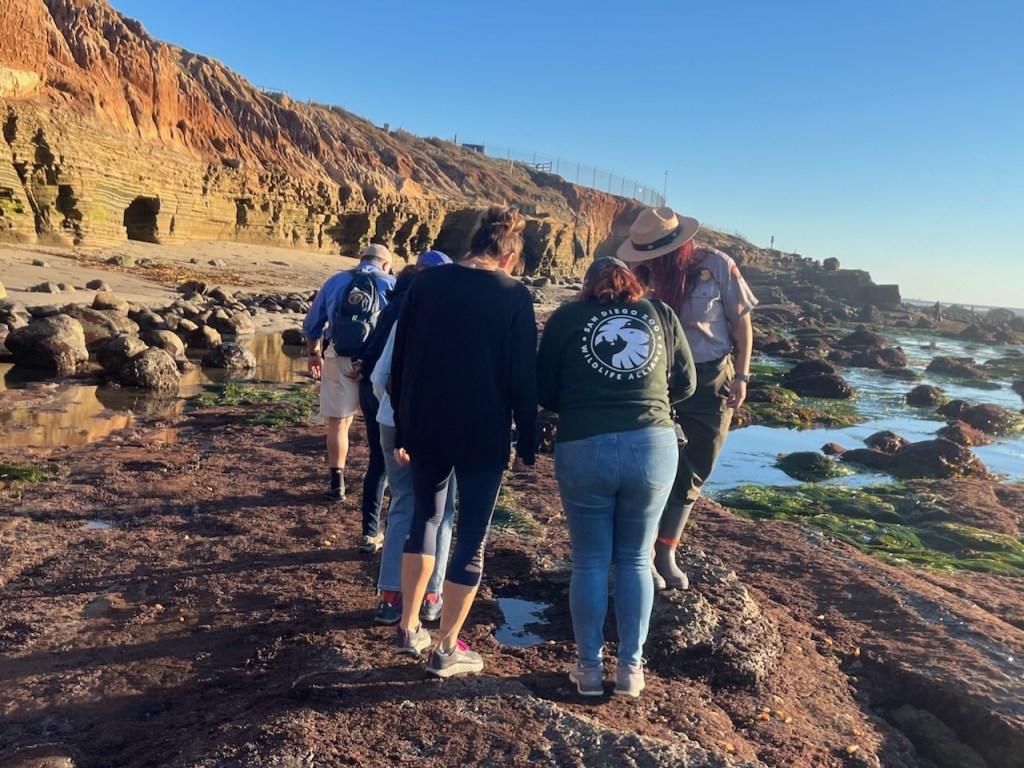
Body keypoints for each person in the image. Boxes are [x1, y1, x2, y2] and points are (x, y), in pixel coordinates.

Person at [537, 256, 696, 697]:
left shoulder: (567, 317)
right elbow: (686, 383)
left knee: (589, 561)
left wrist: (581, 401)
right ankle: (631, 670)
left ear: (587, 286)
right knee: (636, 559)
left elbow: (544, 388)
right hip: (652, 444)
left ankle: (589, 669)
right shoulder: (659, 313)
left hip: (583, 443)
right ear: (632, 283)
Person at [390, 205, 537, 678]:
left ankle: (409, 628)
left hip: (426, 423)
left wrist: (403, 423)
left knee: (425, 518)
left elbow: (403, 356)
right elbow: (522, 375)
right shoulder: (513, 294)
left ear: (473, 245)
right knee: (472, 534)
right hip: (483, 429)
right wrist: (528, 438)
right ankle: (447, 647)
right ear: (509, 257)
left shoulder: (428, 283)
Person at [617, 206, 757, 590]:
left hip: (711, 378)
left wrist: (742, 376)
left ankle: (667, 551)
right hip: (655, 378)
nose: (652, 261)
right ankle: (642, 553)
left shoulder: (718, 265)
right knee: (647, 467)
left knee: (696, 465)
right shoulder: (638, 273)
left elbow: (742, 324)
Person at [367, 252, 457, 624]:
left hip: (393, 423)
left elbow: (379, 377)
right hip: (441, 429)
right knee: (443, 510)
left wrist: (390, 412)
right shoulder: (457, 322)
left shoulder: (405, 315)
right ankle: (432, 595)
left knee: (403, 502)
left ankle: (392, 597)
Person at [351, 250, 451, 555]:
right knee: (426, 502)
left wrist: (384, 403)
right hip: (402, 407)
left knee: (380, 467)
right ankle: (423, 572)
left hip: (377, 395)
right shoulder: (428, 309)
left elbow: (379, 352)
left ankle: (370, 533)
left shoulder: (396, 295)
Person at [302, 244, 395, 548]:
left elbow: (313, 323)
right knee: (380, 428)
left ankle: (337, 483)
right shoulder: (390, 284)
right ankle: (384, 482)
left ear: (361, 259)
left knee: (339, 423)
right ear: (385, 264)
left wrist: (314, 353)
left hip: (339, 357)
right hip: (374, 364)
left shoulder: (337, 281)